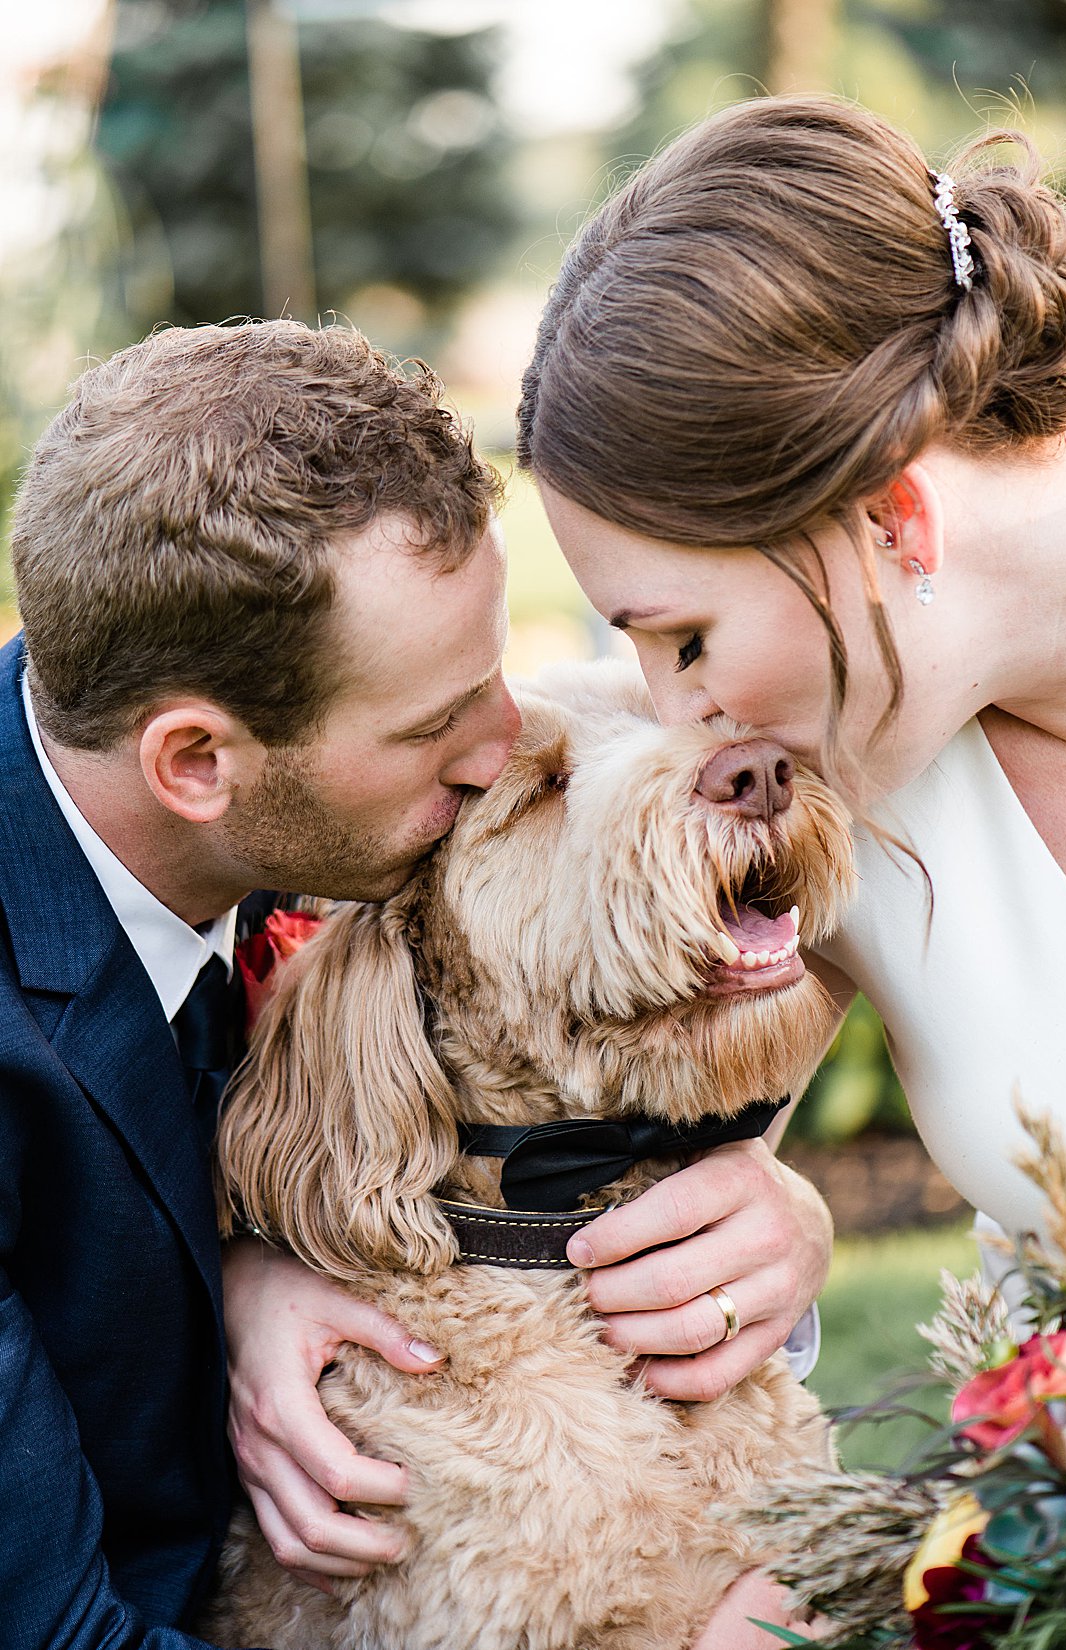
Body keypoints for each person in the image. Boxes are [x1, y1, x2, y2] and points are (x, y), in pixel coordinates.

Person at [1, 317, 830, 1648]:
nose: (502, 742)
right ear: (197, 764)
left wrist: (772, 1212)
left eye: (491, 677)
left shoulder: (304, 813)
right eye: (436, 724)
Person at [517, 91, 1066, 1638]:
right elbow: (427, 872)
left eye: (685, 637)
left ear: (888, 512)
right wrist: (262, 1278)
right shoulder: (835, 766)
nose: (675, 715)